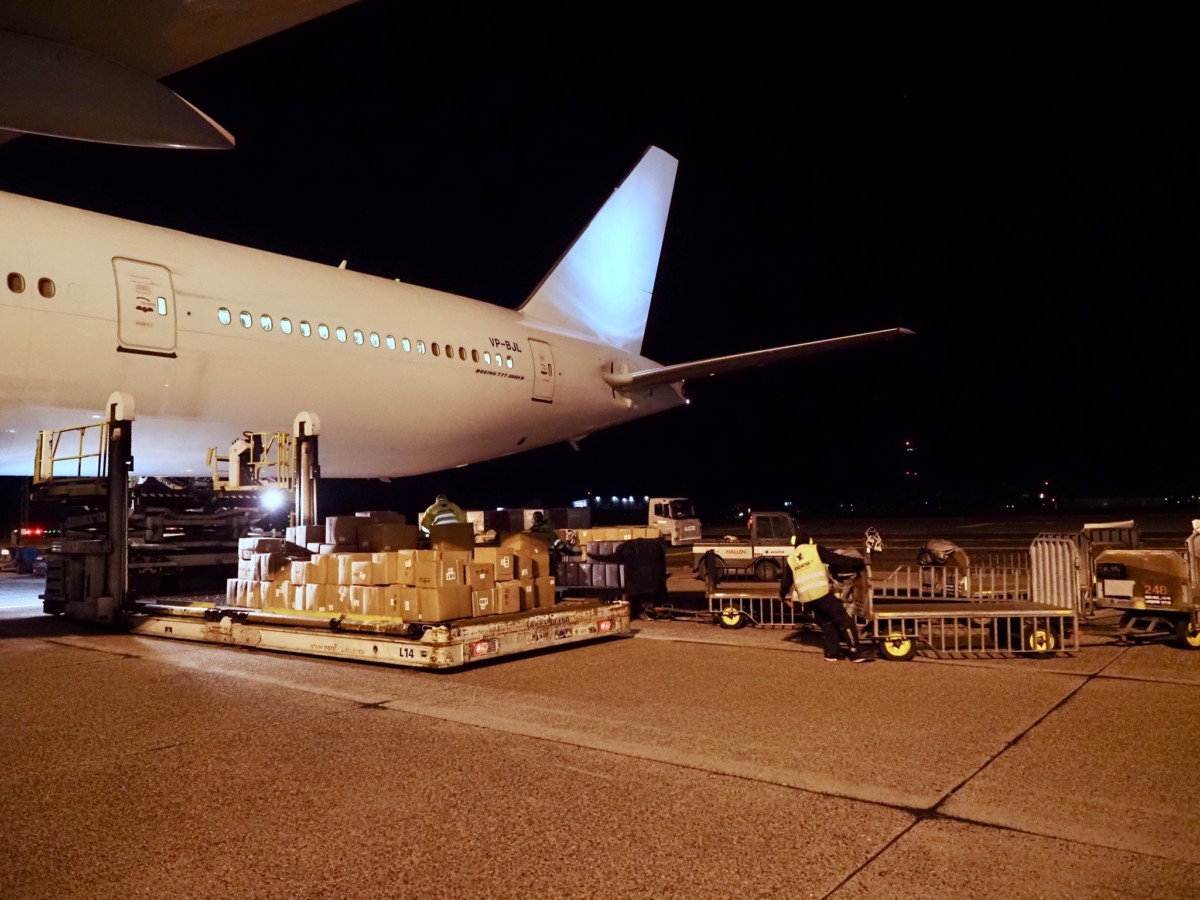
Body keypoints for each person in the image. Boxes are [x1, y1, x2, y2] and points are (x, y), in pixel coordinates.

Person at [779, 532, 872, 662]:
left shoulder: (791, 558)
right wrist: (860, 562)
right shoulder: (815, 549)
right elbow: (837, 560)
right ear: (810, 541)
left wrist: (782, 595)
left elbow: (786, 581)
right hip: (820, 593)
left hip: (807, 598)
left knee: (828, 622)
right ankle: (855, 652)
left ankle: (831, 653)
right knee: (844, 619)